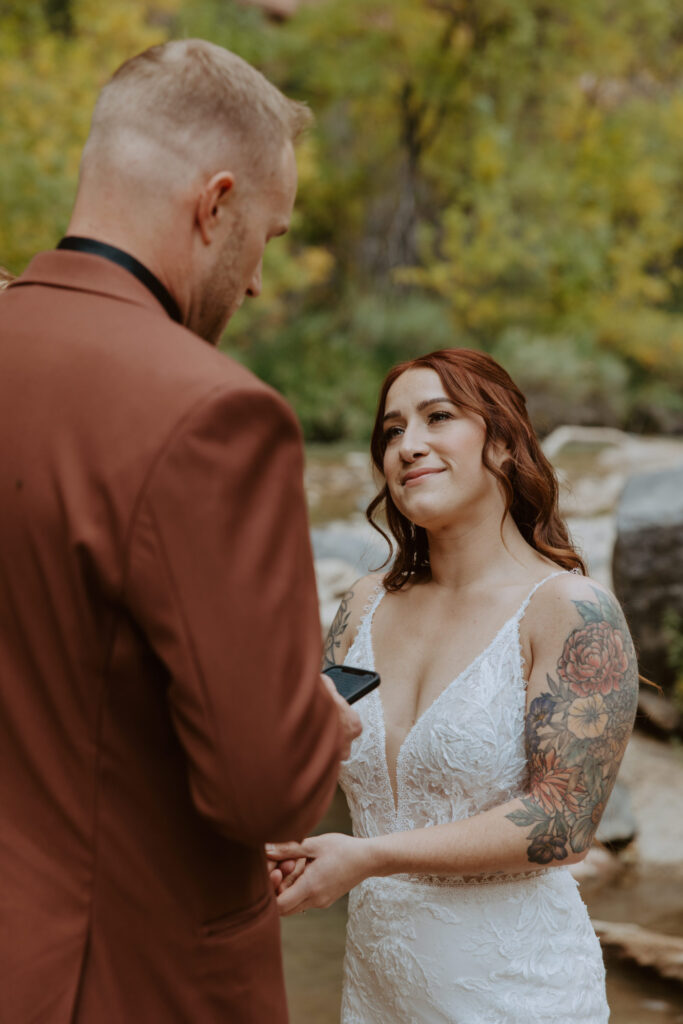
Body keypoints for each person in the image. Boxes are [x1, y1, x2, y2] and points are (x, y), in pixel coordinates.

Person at [0, 39, 360, 1024]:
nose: (252, 285)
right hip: (125, 974)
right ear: (213, 204)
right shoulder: (211, 414)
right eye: (268, 238)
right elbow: (265, 790)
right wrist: (325, 712)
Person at [267, 348, 639, 1023]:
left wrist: (367, 858)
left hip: (515, 993)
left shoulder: (570, 610)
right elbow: (310, 763)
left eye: (437, 417)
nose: (408, 446)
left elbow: (561, 824)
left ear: (501, 443)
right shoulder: (361, 605)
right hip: (378, 988)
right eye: (391, 431)